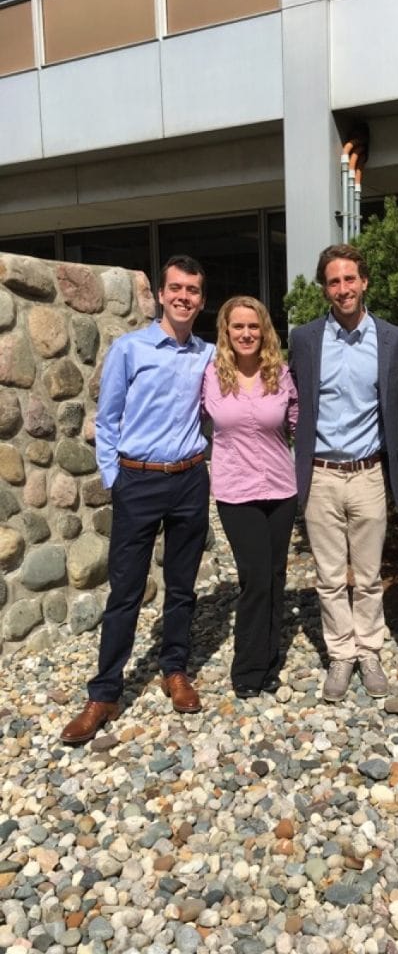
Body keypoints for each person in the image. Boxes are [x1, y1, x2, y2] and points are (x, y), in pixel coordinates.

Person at [60, 255, 214, 744]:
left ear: (201, 300)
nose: (183, 296)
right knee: (125, 590)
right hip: (139, 480)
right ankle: (104, 692)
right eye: (176, 288)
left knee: (182, 586)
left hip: (190, 479)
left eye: (192, 290)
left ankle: (175, 669)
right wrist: (116, 479)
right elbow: (108, 420)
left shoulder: (207, 354)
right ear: (161, 295)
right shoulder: (131, 349)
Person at [290, 244, 398, 702]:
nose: (343, 289)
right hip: (321, 473)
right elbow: (292, 398)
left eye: (350, 279)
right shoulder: (304, 339)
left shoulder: (393, 339)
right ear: (325, 288)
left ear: (365, 283)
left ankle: (370, 650)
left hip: (368, 474)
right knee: (327, 576)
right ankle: (340, 653)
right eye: (334, 281)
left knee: (369, 573)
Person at [202, 296, 298, 698]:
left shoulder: (281, 373)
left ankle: (270, 661)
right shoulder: (210, 375)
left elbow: (296, 423)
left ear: (264, 331)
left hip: (280, 488)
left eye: (253, 326)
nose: (246, 334)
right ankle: (247, 667)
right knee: (255, 577)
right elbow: (193, 422)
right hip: (236, 492)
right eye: (238, 326)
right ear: (226, 331)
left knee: (275, 576)